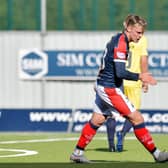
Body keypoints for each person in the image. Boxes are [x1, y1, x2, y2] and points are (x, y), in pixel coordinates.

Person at [70, 14, 168, 163]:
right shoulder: (121, 44)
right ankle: (157, 155)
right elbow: (120, 72)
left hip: (103, 85)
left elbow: (106, 63)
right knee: (137, 118)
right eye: (138, 32)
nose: (140, 36)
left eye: (142, 33)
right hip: (109, 88)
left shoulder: (118, 39)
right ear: (128, 28)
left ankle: (77, 153)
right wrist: (141, 76)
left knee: (97, 120)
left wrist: (98, 80)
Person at [106, 35, 149, 152]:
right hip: (133, 82)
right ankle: (122, 133)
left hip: (118, 81)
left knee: (111, 113)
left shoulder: (118, 39)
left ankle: (111, 145)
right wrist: (144, 78)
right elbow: (143, 59)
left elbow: (107, 59)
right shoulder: (142, 39)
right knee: (134, 113)